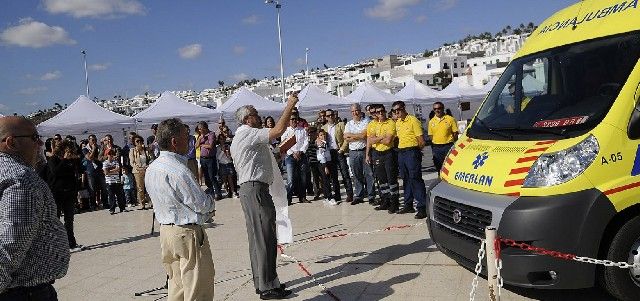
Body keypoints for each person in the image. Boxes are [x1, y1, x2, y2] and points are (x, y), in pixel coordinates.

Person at [229, 94, 298, 299]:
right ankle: (267, 287)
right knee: (264, 238)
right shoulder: (247, 133)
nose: (260, 118)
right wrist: (290, 105)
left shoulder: (246, 136)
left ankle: (267, 282)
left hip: (255, 189)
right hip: (255, 190)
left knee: (261, 238)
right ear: (248, 119)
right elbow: (278, 130)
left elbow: (264, 158)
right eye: (256, 115)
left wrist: (281, 150)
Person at [145, 118, 216, 301]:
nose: (191, 141)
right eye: (186, 137)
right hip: (186, 234)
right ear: (175, 142)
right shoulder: (179, 170)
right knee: (197, 289)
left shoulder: (152, 168)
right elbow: (201, 203)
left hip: (166, 233)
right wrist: (210, 200)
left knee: (177, 288)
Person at [0, 116, 70, 300]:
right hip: (23, 292)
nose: (40, 143)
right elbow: (10, 246)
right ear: (11, 142)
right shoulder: (21, 179)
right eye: (34, 137)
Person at [392, 101, 428, 219]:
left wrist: (416, 152)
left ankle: (422, 207)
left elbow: (421, 140)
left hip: (411, 151)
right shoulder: (397, 123)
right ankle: (408, 204)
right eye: (394, 111)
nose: (396, 112)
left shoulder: (413, 120)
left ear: (404, 108)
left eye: (398, 110)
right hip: (401, 152)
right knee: (405, 178)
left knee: (415, 178)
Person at [47, 139, 84, 251]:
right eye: (67, 150)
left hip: (70, 193)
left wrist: (76, 191)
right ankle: (56, 245)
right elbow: (55, 173)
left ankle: (71, 244)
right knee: (56, 220)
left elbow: (74, 176)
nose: (69, 152)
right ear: (62, 149)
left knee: (69, 219)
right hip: (57, 193)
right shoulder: (53, 159)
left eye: (70, 150)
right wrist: (64, 160)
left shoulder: (71, 161)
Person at [366, 104, 400, 213]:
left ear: (385, 111)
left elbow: (388, 141)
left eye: (382, 111)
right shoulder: (372, 124)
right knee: (382, 180)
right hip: (377, 153)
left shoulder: (390, 123)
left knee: (391, 179)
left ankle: (395, 203)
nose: (380, 114)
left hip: (388, 153)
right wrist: (381, 137)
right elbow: (370, 141)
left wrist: (376, 138)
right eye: (377, 112)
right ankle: (385, 201)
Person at [343, 103, 375, 205]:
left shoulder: (367, 121)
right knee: (356, 174)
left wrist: (353, 136)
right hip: (353, 151)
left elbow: (365, 135)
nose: (355, 113)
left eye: (356, 110)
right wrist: (360, 136)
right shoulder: (349, 124)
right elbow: (346, 138)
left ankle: (371, 195)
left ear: (360, 110)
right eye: (352, 111)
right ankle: (359, 195)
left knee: (369, 174)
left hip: (364, 150)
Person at [322, 109, 353, 203]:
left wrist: (342, 149)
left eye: (332, 115)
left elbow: (346, 138)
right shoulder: (324, 127)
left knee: (345, 174)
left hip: (339, 151)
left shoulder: (341, 125)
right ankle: (337, 195)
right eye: (328, 116)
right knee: (334, 176)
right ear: (326, 117)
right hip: (329, 153)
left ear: (334, 115)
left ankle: (350, 194)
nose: (330, 117)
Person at [281, 115, 310, 204]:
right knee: (290, 178)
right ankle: (288, 198)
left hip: (301, 155)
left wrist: (300, 151)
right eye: (292, 119)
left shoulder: (302, 130)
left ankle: (302, 197)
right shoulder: (285, 131)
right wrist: (293, 153)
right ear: (289, 120)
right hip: (290, 156)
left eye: (295, 119)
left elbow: (306, 141)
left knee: (303, 178)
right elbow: (284, 144)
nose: (294, 120)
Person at [428, 101, 459, 173]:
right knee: (439, 166)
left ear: (443, 108)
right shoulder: (431, 121)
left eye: (439, 108)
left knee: (449, 166)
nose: (437, 110)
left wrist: (452, 142)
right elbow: (430, 135)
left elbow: (455, 133)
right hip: (436, 148)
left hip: (448, 146)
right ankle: (440, 180)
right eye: (435, 109)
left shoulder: (450, 119)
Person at [196, 121, 223, 200]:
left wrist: (202, 145)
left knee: (212, 176)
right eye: (199, 129)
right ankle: (211, 190)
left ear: (205, 128)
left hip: (210, 158)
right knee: (207, 177)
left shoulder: (211, 134)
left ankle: (218, 193)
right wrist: (200, 138)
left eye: (201, 129)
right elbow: (196, 146)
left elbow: (210, 146)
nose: (200, 131)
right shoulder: (200, 136)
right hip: (202, 158)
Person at [129, 135, 151, 210]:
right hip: (138, 171)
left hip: (147, 170)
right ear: (134, 143)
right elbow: (132, 162)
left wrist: (148, 166)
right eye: (137, 141)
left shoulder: (146, 150)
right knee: (140, 188)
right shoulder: (132, 150)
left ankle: (150, 202)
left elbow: (151, 159)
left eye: (140, 140)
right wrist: (138, 168)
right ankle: (142, 203)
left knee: (149, 186)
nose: (139, 142)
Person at [103, 149, 125, 214]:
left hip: (117, 181)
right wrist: (113, 170)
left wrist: (110, 170)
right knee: (111, 196)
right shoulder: (105, 163)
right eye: (109, 154)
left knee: (119, 195)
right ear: (107, 155)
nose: (111, 155)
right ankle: (112, 209)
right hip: (109, 182)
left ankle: (122, 208)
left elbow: (118, 170)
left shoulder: (116, 162)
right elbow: (106, 173)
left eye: (112, 153)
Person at [316, 129, 335, 205]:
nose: (323, 136)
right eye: (321, 135)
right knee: (326, 180)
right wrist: (325, 166)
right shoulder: (321, 144)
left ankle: (326, 196)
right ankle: (329, 197)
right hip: (323, 163)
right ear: (318, 137)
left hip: (327, 161)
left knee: (326, 180)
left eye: (324, 135)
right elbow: (322, 155)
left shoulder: (325, 143)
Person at [305, 126, 323, 200]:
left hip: (319, 161)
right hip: (312, 162)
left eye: (312, 132)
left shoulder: (318, 140)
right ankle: (316, 193)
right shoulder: (307, 142)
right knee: (315, 178)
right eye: (309, 133)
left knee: (322, 177)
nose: (311, 134)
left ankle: (324, 190)